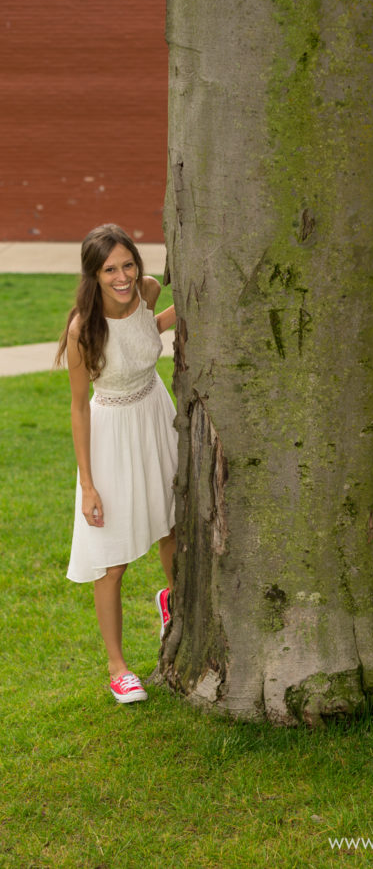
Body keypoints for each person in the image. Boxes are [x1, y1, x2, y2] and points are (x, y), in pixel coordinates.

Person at [56, 224, 178, 704]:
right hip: (111, 433)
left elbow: (151, 329)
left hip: (155, 416)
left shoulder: (147, 293)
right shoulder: (83, 329)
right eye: (111, 269)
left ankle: (175, 601)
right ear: (94, 275)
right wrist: (88, 485)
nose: (123, 276)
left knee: (173, 527)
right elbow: (79, 407)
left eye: (128, 264)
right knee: (113, 561)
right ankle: (117, 666)